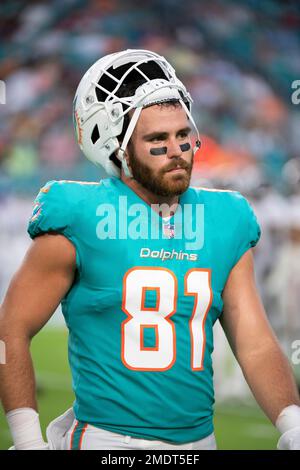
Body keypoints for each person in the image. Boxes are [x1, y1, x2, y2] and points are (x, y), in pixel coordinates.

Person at [0, 49, 300, 451]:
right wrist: (25, 438)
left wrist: (292, 423)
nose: (177, 149)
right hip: (107, 442)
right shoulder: (80, 214)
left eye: (183, 135)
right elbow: (10, 328)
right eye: (157, 139)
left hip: (200, 443)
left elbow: (254, 340)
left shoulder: (225, 216)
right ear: (118, 149)